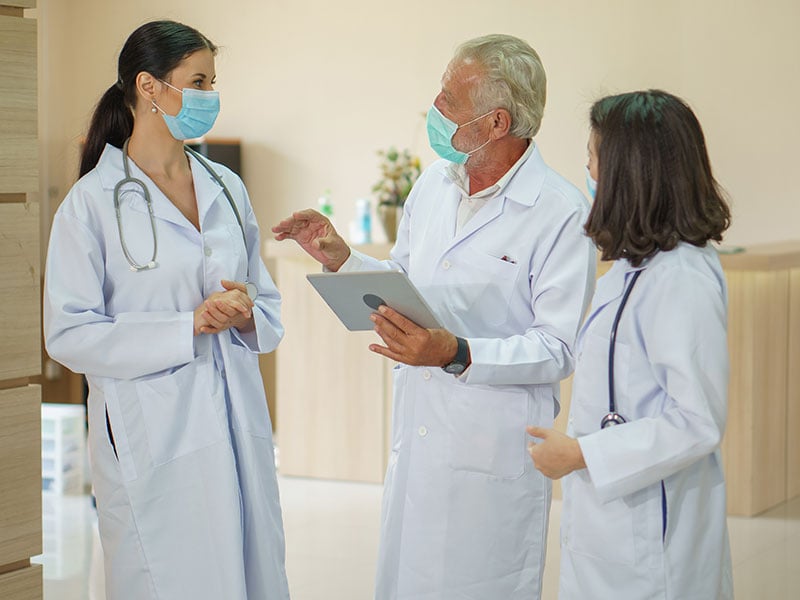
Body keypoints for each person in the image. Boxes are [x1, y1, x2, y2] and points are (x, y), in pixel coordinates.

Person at [273, 34, 596, 600]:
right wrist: (342, 259)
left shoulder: (561, 213)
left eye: (450, 98)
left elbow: (557, 348)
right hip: (420, 440)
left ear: (497, 122)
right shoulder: (434, 185)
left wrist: (457, 353)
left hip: (490, 457)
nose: (435, 107)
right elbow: (405, 285)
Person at [44, 21, 289, 600]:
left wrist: (247, 311)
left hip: (234, 418)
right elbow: (69, 334)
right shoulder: (91, 204)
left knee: (248, 572)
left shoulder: (225, 187)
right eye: (197, 81)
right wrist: (189, 325)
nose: (210, 96)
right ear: (149, 87)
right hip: (153, 431)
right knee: (168, 579)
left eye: (212, 81)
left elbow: (266, 298)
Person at [527, 90, 734, 599]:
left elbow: (696, 421)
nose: (588, 175)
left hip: (653, 538)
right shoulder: (635, 266)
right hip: (614, 523)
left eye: (594, 160)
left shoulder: (680, 276)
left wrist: (583, 454)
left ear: (630, 172)